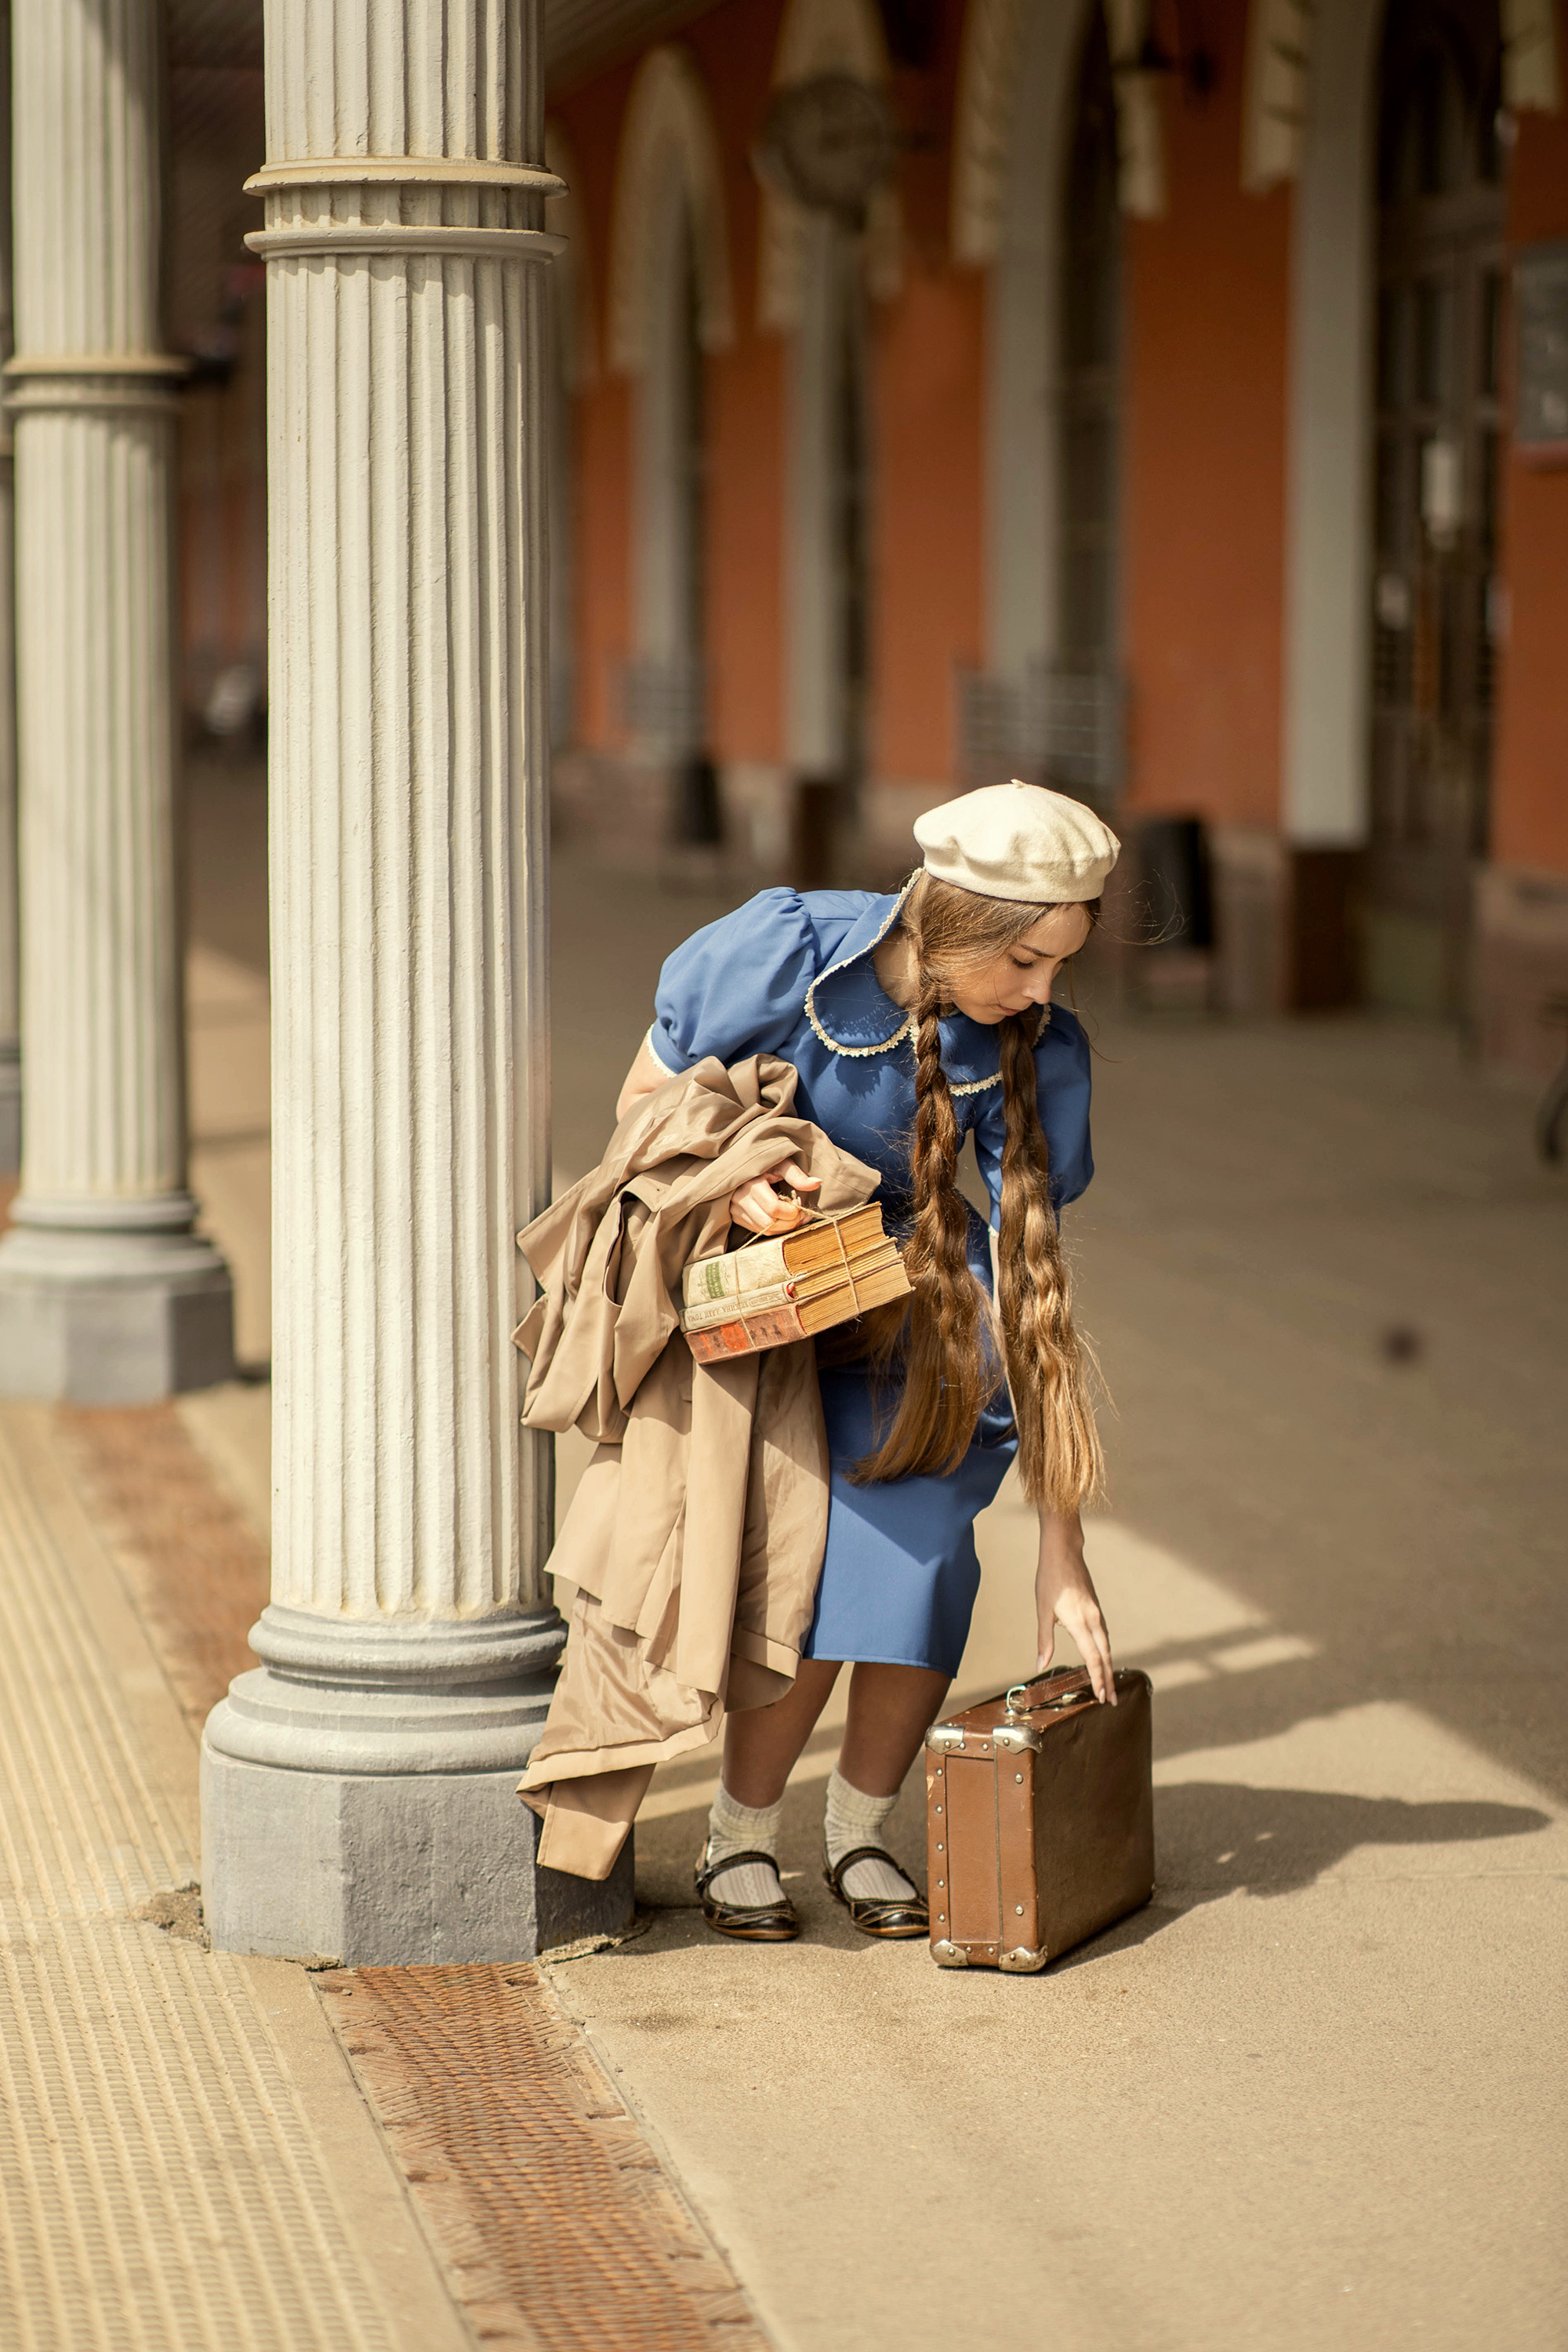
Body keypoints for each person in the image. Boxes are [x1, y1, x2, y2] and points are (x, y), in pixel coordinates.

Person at [613, 782, 1120, 1942]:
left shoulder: (1032, 1043)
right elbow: (640, 1104)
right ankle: (740, 1834)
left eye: (1061, 965)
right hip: (773, 1318)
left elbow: (1033, 1285)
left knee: (918, 1571)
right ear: (955, 923)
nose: (1044, 994)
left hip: (929, 1335)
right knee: (803, 1574)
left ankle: (861, 1830)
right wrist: (737, 1176)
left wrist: (1065, 1550)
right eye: (1026, 962)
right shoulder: (781, 950)